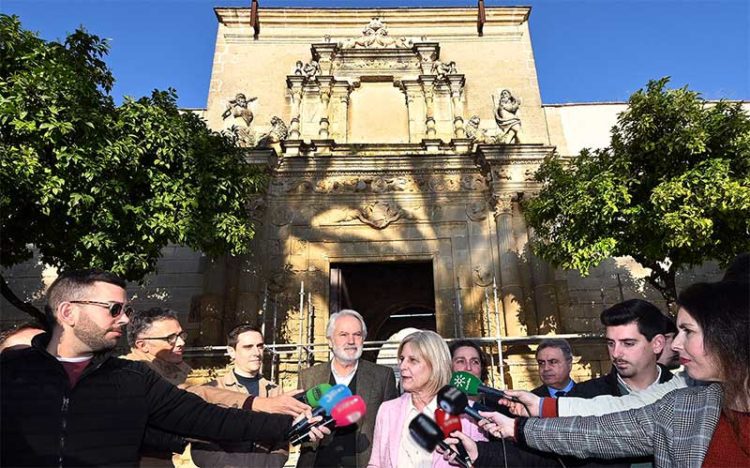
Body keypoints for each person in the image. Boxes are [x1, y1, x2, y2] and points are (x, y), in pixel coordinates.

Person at [0, 269, 327, 467]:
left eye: (126, 309)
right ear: (68, 313)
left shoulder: (131, 379)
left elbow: (211, 419)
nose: (125, 319)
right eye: (114, 309)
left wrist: (289, 425)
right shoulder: (10, 373)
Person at [446, 280, 750, 467]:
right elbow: (599, 428)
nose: (678, 342)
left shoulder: (679, 390)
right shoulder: (684, 406)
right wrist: (519, 427)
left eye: (688, 331)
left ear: (728, 335)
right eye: (610, 343)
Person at [368, 330, 487, 467]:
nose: (402, 366)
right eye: (402, 359)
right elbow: (375, 464)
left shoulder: (467, 411)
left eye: (412, 360)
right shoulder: (388, 410)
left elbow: (482, 462)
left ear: (435, 365)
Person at [297, 309, 399, 468]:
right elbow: (298, 424)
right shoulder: (309, 376)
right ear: (330, 340)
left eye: (357, 335)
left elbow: (393, 429)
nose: (351, 341)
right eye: (343, 335)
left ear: (363, 340)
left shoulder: (383, 377)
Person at [192, 324, 289, 468]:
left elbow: (282, 441)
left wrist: (271, 465)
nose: (256, 352)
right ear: (231, 351)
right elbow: (201, 445)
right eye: (248, 347)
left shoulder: (275, 392)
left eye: (260, 346)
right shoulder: (212, 390)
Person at [567, 299, 673, 399]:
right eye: (610, 343)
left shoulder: (684, 391)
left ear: (657, 344)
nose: (616, 354)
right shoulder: (582, 397)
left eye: (628, 343)